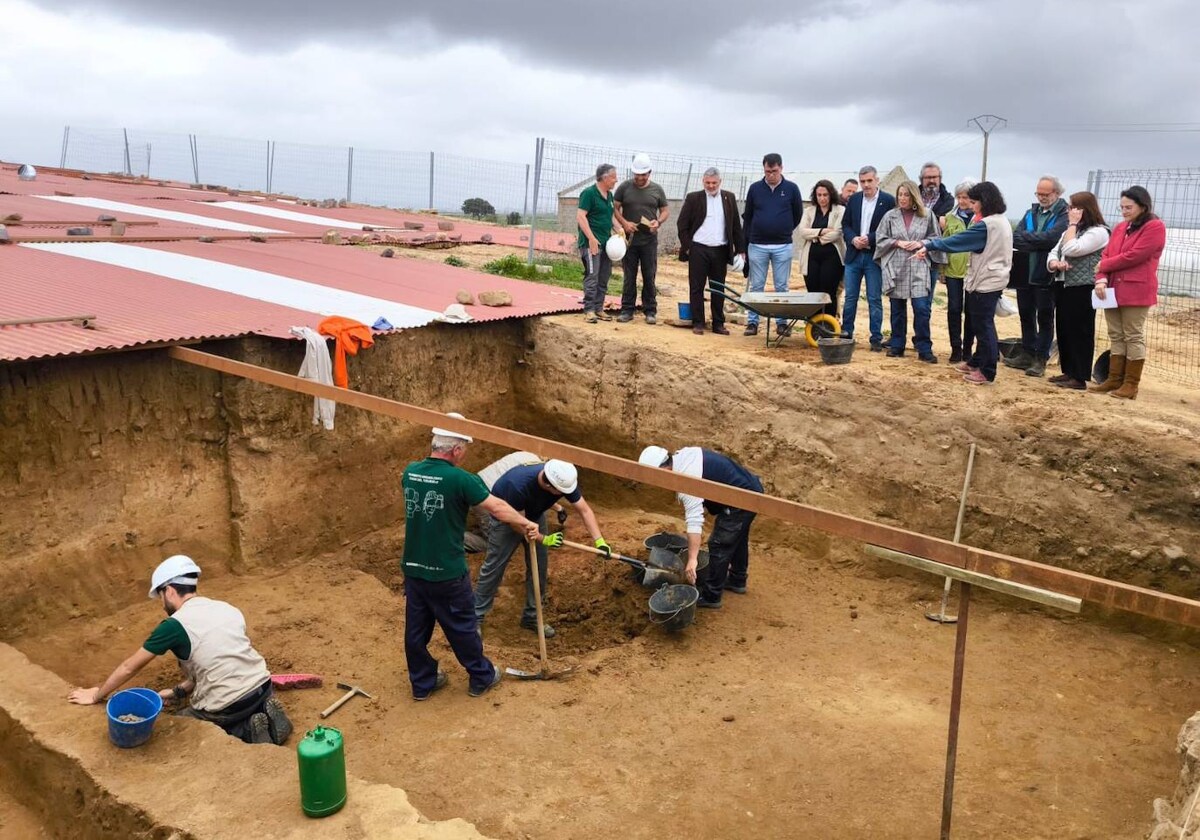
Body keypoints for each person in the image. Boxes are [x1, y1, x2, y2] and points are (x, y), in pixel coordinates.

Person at [67, 555, 293, 746]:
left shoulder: (174, 625)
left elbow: (129, 667)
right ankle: (264, 710)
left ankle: (247, 730)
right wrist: (178, 692)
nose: (161, 602)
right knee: (240, 697)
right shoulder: (226, 608)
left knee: (182, 726)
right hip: (262, 685)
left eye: (161, 596)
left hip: (228, 704)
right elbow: (218, 659)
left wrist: (97, 695)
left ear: (170, 590)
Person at [401, 413, 540, 699]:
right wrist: (525, 523)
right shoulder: (461, 479)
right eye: (464, 449)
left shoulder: (410, 472)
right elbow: (497, 508)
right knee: (462, 626)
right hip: (447, 570)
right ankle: (481, 676)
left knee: (416, 630)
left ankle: (422, 684)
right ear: (456, 449)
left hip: (414, 567)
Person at [474, 458, 612, 638]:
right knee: (495, 567)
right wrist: (543, 539)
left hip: (535, 516)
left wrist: (599, 541)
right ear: (549, 486)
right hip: (507, 519)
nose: (564, 495)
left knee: (539, 567)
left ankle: (532, 617)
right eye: (560, 493)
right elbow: (518, 524)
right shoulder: (517, 485)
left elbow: (584, 510)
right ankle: (475, 617)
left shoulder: (562, 479)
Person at [905, 181, 1013, 385]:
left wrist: (929, 244)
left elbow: (957, 240)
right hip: (988, 279)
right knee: (980, 323)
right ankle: (977, 361)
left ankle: (987, 371)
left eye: (974, 202)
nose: (972, 206)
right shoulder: (1000, 220)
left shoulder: (986, 225)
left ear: (984, 202)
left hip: (986, 281)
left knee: (984, 326)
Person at [638, 445, 762, 609]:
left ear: (664, 471)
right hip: (748, 488)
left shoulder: (687, 481)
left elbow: (694, 521)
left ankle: (712, 596)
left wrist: (692, 559)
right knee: (737, 536)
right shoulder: (682, 456)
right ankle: (737, 580)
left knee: (719, 543)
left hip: (744, 498)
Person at [1092, 186, 1166, 400]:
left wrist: (1103, 265)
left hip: (1136, 289)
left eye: (1129, 207)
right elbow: (1106, 254)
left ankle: (1131, 384)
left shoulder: (1155, 227)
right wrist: (1102, 278)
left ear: (1143, 206)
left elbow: (1135, 256)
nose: (1124, 211)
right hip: (1112, 290)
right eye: (1122, 207)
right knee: (1116, 334)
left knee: (1133, 335)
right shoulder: (1120, 227)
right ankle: (1114, 378)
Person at [1045, 192, 1110, 390]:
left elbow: (1072, 249)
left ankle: (1080, 375)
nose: (1068, 211)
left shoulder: (1098, 232)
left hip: (1084, 287)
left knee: (1080, 330)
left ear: (1083, 209)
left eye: (1072, 207)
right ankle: (1068, 371)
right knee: (1065, 328)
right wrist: (1054, 263)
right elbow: (1056, 250)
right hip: (1065, 285)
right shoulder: (1073, 230)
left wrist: (1072, 225)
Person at [875, 180, 944, 363]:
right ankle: (897, 345)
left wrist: (922, 244)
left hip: (919, 265)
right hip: (896, 265)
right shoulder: (890, 216)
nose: (902, 198)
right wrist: (897, 242)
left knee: (921, 308)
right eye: (900, 194)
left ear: (914, 196)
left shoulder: (927, 215)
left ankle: (924, 348)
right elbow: (880, 239)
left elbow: (936, 238)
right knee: (897, 309)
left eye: (906, 194)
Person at [1008, 176, 1069, 377]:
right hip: (1025, 272)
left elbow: (1053, 240)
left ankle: (1040, 358)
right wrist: (1037, 242)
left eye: (1046, 194)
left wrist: (1032, 240)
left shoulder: (1064, 215)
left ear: (1057, 194)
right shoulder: (1030, 212)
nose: (1041, 197)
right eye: (1039, 193)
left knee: (1044, 317)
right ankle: (1026, 352)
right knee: (1025, 314)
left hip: (1046, 274)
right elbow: (1016, 236)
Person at [677, 167, 746, 336]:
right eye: (707, 183)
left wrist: (741, 249)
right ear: (703, 182)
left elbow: (736, 226)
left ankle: (718, 323)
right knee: (696, 287)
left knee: (718, 288)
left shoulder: (728, 198)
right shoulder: (694, 198)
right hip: (698, 248)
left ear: (720, 182)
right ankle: (698, 322)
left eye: (714, 183)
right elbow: (682, 225)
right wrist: (688, 247)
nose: (711, 186)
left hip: (720, 250)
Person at [742, 153, 804, 337]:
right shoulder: (755, 189)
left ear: (781, 168)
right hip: (757, 245)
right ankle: (753, 322)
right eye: (767, 171)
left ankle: (782, 322)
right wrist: (745, 243)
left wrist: (783, 228)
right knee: (757, 285)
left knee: (781, 286)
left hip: (782, 245)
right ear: (764, 169)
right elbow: (749, 215)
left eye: (774, 171)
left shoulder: (791, 189)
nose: (771, 175)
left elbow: (797, 214)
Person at [841, 165, 896, 351]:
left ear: (877, 180)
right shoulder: (854, 200)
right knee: (850, 298)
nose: (866, 185)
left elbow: (890, 228)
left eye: (869, 181)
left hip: (874, 256)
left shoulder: (888, 201)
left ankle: (875, 337)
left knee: (874, 298)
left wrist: (870, 239)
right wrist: (853, 239)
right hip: (854, 256)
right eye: (862, 181)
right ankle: (846, 332)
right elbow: (846, 224)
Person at [614, 154, 669, 325]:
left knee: (649, 275)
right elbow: (614, 208)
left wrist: (657, 222)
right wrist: (624, 223)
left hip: (649, 241)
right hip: (629, 240)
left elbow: (665, 211)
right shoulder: (624, 188)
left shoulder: (657, 190)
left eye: (643, 175)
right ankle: (627, 309)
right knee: (629, 276)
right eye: (636, 174)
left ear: (649, 173)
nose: (639, 178)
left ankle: (650, 310)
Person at [577, 163, 620, 324]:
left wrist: (619, 230)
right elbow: (581, 217)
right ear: (605, 177)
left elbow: (610, 218)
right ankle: (589, 309)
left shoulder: (609, 196)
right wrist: (591, 238)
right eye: (614, 177)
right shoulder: (589, 194)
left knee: (604, 276)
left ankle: (599, 308)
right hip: (591, 243)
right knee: (592, 275)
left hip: (606, 243)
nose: (616, 181)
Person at [941, 179, 978, 364]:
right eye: (960, 197)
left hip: (973, 270)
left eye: (967, 197)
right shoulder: (950, 217)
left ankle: (968, 349)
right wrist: (942, 268)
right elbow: (945, 242)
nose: (963, 201)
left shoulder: (980, 218)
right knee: (954, 309)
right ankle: (955, 348)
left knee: (971, 311)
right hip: (953, 270)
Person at [798, 179, 845, 317]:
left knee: (828, 292)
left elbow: (837, 232)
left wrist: (814, 236)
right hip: (811, 256)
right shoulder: (809, 211)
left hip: (832, 256)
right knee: (813, 291)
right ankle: (815, 325)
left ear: (831, 195)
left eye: (825, 195)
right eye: (819, 195)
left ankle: (828, 325)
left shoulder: (840, 210)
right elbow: (802, 231)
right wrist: (821, 231)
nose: (822, 198)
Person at [917, 162, 955, 314]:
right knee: (902, 297)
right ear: (921, 179)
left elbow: (940, 225)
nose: (931, 180)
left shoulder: (948, 200)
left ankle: (922, 336)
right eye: (928, 177)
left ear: (940, 178)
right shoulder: (913, 196)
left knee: (926, 299)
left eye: (934, 177)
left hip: (933, 255)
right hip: (911, 251)